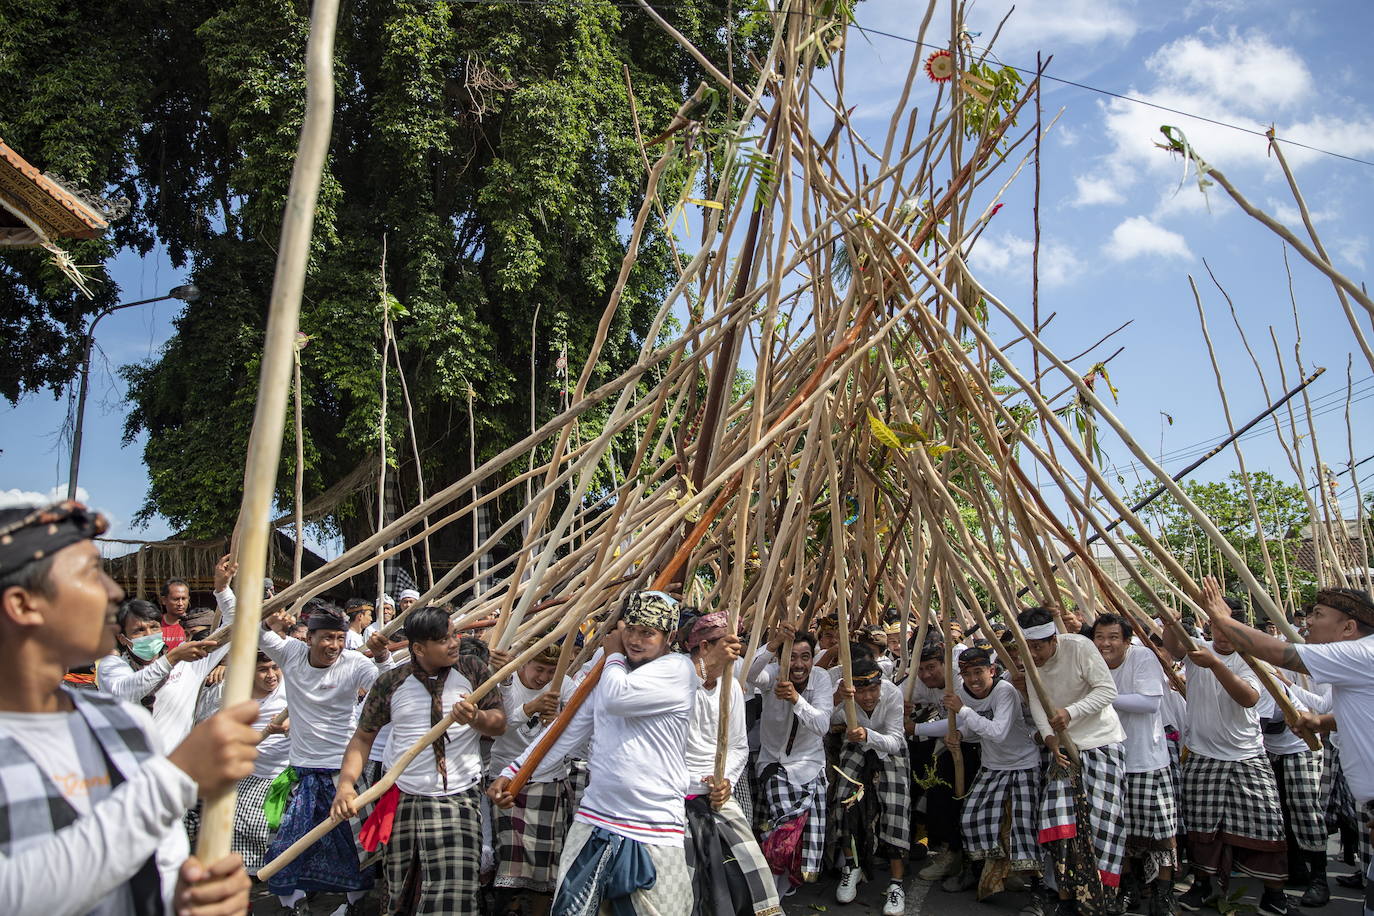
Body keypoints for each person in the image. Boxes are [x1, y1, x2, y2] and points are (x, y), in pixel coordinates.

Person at [0, 500, 256, 914]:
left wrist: (184, 900)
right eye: (88, 574)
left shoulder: (125, 725)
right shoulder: (164, 767)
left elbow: (159, 864)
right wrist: (175, 778)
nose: (113, 592)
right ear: (22, 604)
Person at [490, 589, 737, 916]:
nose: (635, 640)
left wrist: (612, 654)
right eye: (631, 629)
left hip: (653, 824)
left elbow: (617, 698)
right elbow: (566, 730)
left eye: (647, 633)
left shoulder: (676, 670)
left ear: (669, 637)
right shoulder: (608, 672)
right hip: (596, 816)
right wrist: (514, 774)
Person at [1198, 579, 1374, 916]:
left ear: (1349, 628)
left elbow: (1279, 653)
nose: (1308, 621)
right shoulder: (1361, 657)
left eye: (1319, 615)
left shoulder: (1360, 652)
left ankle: (1316, 877)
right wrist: (1324, 722)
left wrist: (1222, 618)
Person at [332, 606, 505, 915]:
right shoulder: (391, 682)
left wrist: (476, 717)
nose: (453, 643)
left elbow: (499, 722)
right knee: (403, 892)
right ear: (418, 648)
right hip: (403, 798)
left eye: (454, 635)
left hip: (458, 800)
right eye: (443, 640)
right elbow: (362, 738)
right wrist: (346, 786)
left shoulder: (474, 671)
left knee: (456, 896)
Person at [1162, 595, 1289, 916]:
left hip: (1247, 755)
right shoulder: (1197, 648)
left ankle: (1275, 894)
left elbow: (1247, 698)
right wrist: (1170, 622)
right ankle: (1203, 885)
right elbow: (1175, 648)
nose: (1220, 635)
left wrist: (1216, 665)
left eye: (1227, 627)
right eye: (1215, 626)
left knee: (1267, 824)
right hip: (1203, 753)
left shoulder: (1254, 658)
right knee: (1202, 827)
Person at [261, 604, 392, 914]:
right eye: (326, 638)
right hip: (301, 772)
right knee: (287, 846)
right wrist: (226, 592)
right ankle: (295, 907)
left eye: (339, 637)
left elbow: (385, 688)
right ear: (310, 638)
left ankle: (352, 908)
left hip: (343, 773)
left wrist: (384, 657)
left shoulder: (354, 662)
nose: (333, 645)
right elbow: (255, 634)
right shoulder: (291, 653)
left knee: (355, 849)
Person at [1018, 606, 1127, 914]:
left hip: (1102, 743)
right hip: (1063, 749)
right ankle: (1065, 895)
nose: (1033, 653)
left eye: (1038, 646)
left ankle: (1104, 896)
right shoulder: (1030, 662)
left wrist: (1070, 712)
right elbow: (1037, 704)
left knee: (1103, 825)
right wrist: (1051, 741)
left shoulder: (1080, 646)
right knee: (1057, 820)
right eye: (1028, 647)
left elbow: (1107, 690)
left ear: (1054, 639)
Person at [680, 612, 779, 916]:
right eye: (725, 648)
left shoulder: (731, 687)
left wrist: (726, 781)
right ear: (704, 647)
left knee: (751, 872)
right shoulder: (675, 680)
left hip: (716, 793)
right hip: (673, 795)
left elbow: (738, 745)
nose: (732, 656)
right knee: (681, 884)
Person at [96, 553, 239, 751]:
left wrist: (222, 589)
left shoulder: (188, 663)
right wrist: (171, 659)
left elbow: (233, 626)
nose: (148, 634)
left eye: (154, 627)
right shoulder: (113, 666)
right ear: (123, 638)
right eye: (138, 630)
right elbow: (125, 692)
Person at [1090, 614, 1179, 916]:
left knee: (1160, 833)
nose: (1105, 643)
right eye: (1099, 637)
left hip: (1147, 759)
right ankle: (1127, 888)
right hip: (1107, 758)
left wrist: (1102, 697)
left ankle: (1163, 894)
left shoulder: (1143, 658)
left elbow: (1149, 703)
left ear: (1127, 641)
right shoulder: (1092, 661)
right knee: (1119, 831)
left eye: (1113, 637)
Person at [942, 646, 1043, 903]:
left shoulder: (1004, 692)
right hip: (992, 766)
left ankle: (1038, 889)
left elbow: (997, 731)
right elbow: (981, 730)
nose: (974, 679)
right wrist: (961, 734)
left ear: (992, 670)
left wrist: (963, 711)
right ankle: (976, 872)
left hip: (1022, 765)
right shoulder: (964, 694)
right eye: (967, 674)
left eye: (979, 672)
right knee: (971, 818)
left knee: (1023, 826)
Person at [488, 640, 577, 915]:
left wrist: (560, 717)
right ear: (524, 663)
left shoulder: (565, 685)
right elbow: (498, 727)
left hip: (549, 780)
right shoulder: (506, 682)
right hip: (507, 781)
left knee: (546, 866)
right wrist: (531, 708)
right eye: (539, 669)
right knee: (508, 859)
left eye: (550, 672)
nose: (543, 678)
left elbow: (579, 724)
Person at [750, 623, 835, 895]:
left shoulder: (820, 679)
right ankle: (769, 896)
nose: (798, 665)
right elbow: (749, 674)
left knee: (803, 838)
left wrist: (796, 698)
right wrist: (772, 645)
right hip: (774, 764)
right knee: (783, 831)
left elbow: (822, 725)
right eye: (793, 657)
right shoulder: (773, 673)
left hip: (810, 767)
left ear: (813, 658)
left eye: (805, 657)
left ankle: (783, 887)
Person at [832, 658, 911, 916]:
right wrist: (837, 698)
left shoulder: (893, 694)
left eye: (873, 690)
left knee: (896, 807)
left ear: (880, 684)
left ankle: (897, 883)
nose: (867, 697)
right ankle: (851, 867)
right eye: (862, 691)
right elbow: (825, 718)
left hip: (887, 747)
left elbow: (896, 741)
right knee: (844, 801)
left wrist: (869, 735)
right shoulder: (841, 690)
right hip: (856, 745)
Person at [158, 577, 192, 649]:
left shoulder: (194, 625)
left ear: (188, 599)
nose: (180, 603)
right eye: (176, 599)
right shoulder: (155, 626)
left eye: (183, 599)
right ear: (164, 600)